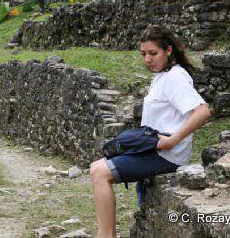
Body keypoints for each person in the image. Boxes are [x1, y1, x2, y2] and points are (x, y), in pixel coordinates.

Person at [90, 25, 212, 238]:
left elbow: (203, 112)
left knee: (99, 172)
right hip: (153, 148)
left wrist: (173, 140)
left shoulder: (175, 77)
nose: (147, 59)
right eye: (143, 54)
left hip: (166, 155)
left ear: (168, 51)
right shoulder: (162, 76)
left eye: (153, 53)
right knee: (98, 167)